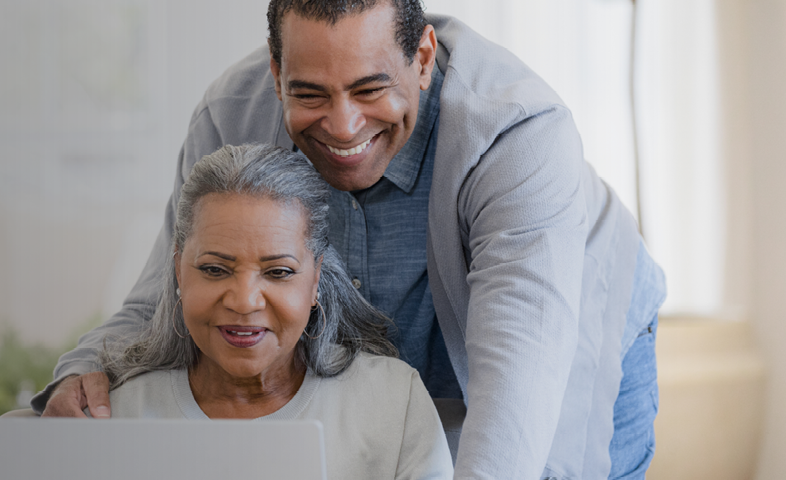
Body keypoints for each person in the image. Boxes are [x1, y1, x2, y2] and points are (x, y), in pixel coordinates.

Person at [35, 1, 667, 479]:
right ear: (276, 69)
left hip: (556, 320)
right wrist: (82, 370)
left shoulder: (515, 131)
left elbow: (516, 398)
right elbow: (164, 296)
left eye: (370, 90)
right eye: (309, 93)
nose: (342, 127)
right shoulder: (231, 115)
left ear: (421, 59)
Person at [101, 143, 453, 479]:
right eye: (214, 269)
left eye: (278, 272)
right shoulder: (116, 411)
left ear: (315, 278)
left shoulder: (392, 401)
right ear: (179, 268)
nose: (244, 301)